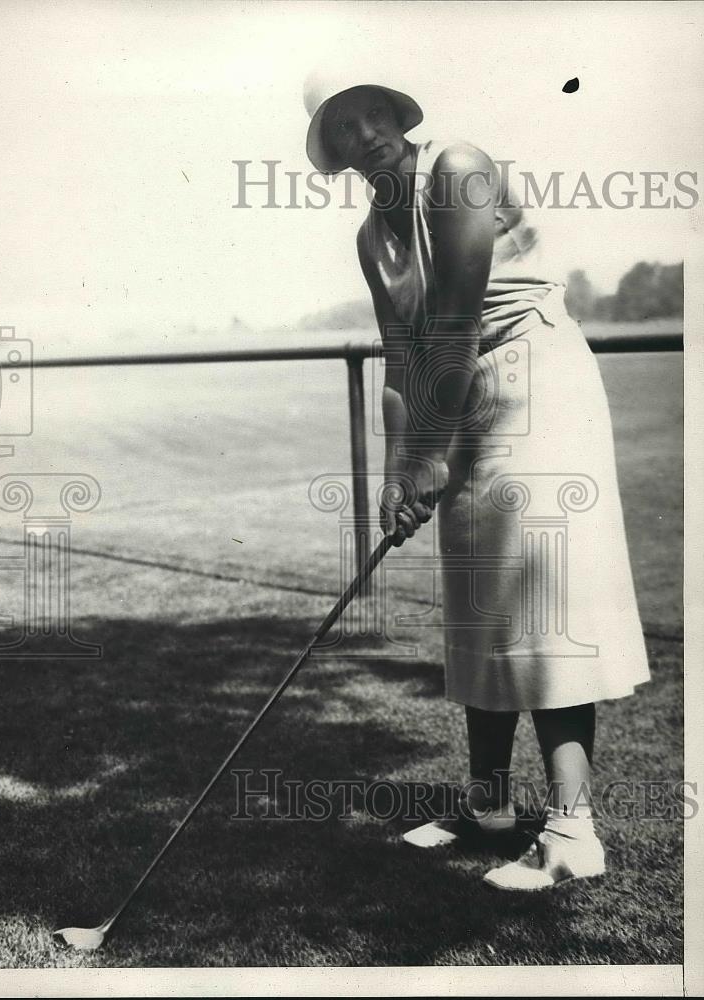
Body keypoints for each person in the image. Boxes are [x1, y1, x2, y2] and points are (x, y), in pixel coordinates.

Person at [302, 71, 650, 890]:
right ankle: (488, 806)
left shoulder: (458, 166)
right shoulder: (371, 237)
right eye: (344, 126)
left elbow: (457, 322)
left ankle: (571, 835)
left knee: (537, 599)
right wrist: (399, 473)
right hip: (454, 392)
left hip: (535, 380)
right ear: (331, 150)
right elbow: (401, 360)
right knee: (476, 600)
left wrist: (429, 453)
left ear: (396, 115)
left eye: (374, 112)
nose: (368, 132)